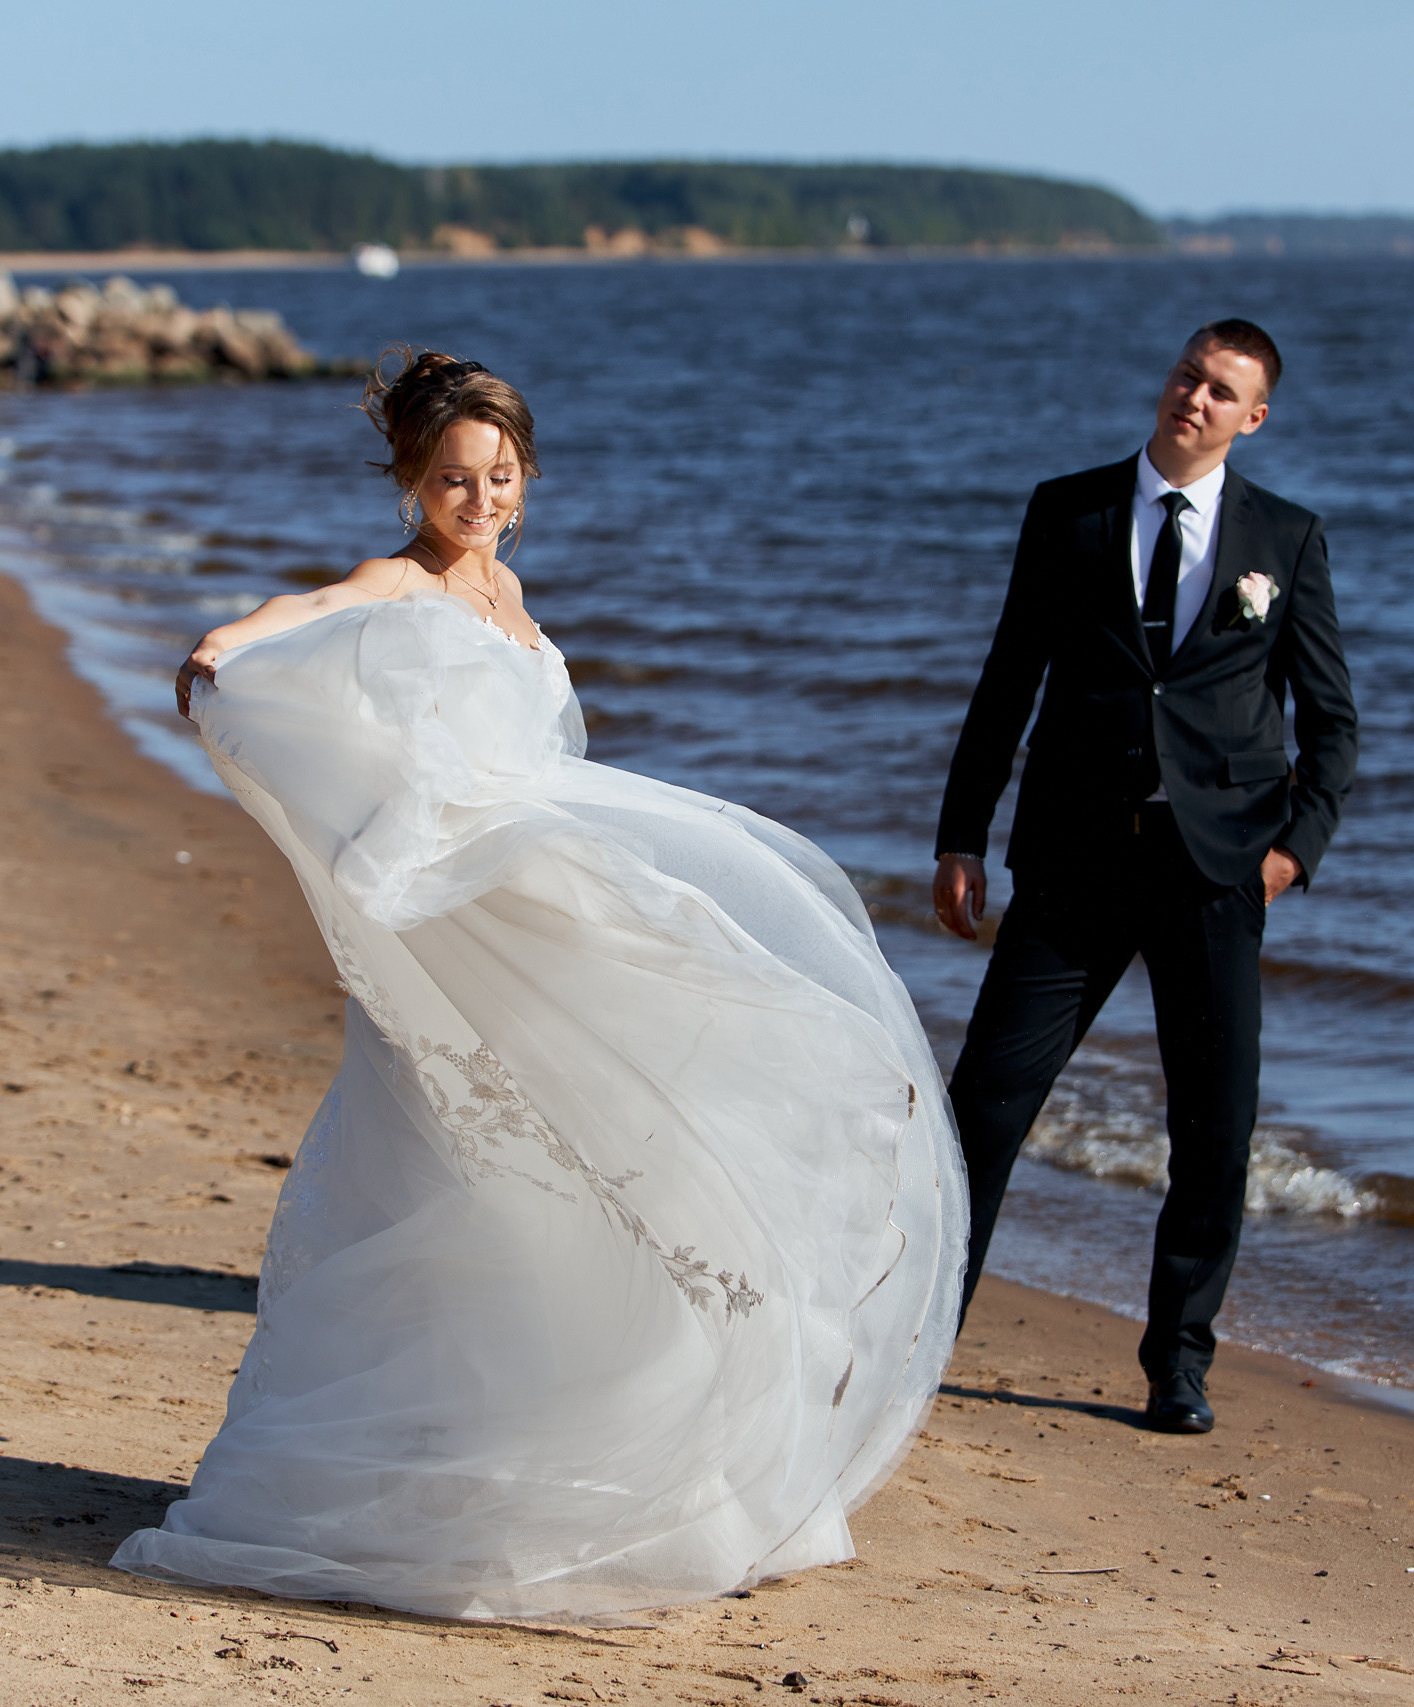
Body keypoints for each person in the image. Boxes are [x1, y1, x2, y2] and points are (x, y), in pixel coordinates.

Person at [110, 351, 968, 1620]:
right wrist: (226, 641)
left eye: (499, 477)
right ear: (412, 481)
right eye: (455, 479)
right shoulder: (396, 584)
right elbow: (303, 610)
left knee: (627, 1143)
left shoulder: (509, 589)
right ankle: (433, 1477)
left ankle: (595, 1467)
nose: (479, 499)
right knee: (472, 1178)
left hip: (539, 909)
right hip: (471, 919)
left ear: (525, 480)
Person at [932, 320, 1358, 1435]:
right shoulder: (1066, 510)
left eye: (1222, 392)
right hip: (1072, 858)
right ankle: (920, 1335)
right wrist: (960, 835)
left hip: (1214, 874)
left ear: (1252, 417)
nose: (1195, 400)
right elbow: (1006, 681)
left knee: (1215, 1132)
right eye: (1187, 376)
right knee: (981, 1106)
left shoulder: (1288, 538)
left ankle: (1178, 1365)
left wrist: (1289, 854)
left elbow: (1332, 724)